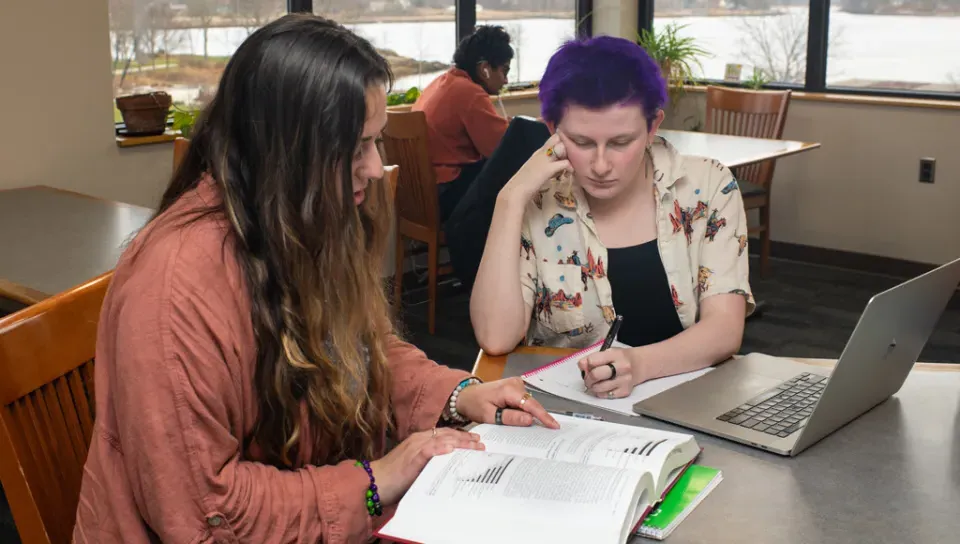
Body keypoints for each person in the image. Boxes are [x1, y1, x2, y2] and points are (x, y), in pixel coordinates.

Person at [74, 15, 557, 543]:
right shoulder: (174, 290)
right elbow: (205, 513)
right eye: (355, 149)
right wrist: (378, 479)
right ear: (286, 150)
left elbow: (364, 351)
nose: (375, 169)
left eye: (376, 143)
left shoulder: (298, 217)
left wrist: (457, 394)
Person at [470, 36, 755, 400]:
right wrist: (510, 198)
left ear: (653, 127)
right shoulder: (536, 200)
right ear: (552, 129)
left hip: (687, 398)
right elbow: (495, 338)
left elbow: (725, 329)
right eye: (582, 142)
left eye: (621, 143)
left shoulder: (707, 185)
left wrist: (639, 365)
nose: (601, 165)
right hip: (570, 414)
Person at [412, 25, 513, 221]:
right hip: (445, 193)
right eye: (504, 70)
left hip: (420, 194)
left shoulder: (443, 82)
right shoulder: (470, 93)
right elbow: (499, 150)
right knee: (512, 176)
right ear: (485, 69)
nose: (506, 80)